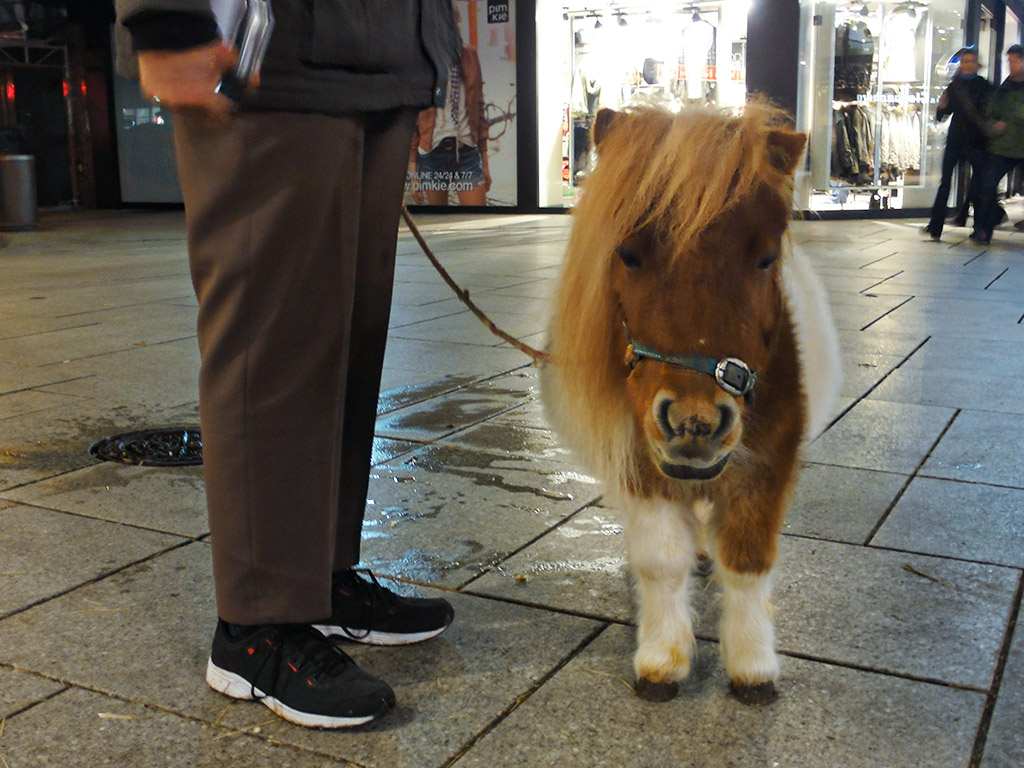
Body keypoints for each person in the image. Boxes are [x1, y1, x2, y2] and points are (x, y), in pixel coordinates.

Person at [114, 0, 460, 729]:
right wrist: (167, 19)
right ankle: (255, 626)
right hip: (269, 56)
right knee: (272, 338)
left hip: (380, 59)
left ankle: (320, 583)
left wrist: (430, 59)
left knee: (349, 339)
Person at [408, 12, 490, 206]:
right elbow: (413, 117)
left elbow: (479, 108)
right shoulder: (423, 60)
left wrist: (485, 163)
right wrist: (413, 174)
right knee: (440, 223)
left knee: (477, 222)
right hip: (432, 153)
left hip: (466, 151)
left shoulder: (469, 55)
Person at [922, 48, 991, 241]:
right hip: (956, 140)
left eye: (970, 62)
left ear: (977, 65)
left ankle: (979, 227)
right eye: (964, 62)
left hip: (976, 142)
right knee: (945, 182)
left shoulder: (983, 86)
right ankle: (936, 225)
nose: (967, 65)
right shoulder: (954, 86)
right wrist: (941, 107)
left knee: (977, 185)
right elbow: (942, 115)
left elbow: (988, 113)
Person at [973, 44, 1024, 244]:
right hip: (1002, 147)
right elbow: (987, 115)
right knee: (987, 185)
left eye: (1014, 61)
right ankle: (983, 230)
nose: (1011, 65)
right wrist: (992, 127)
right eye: (1009, 61)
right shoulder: (1002, 89)